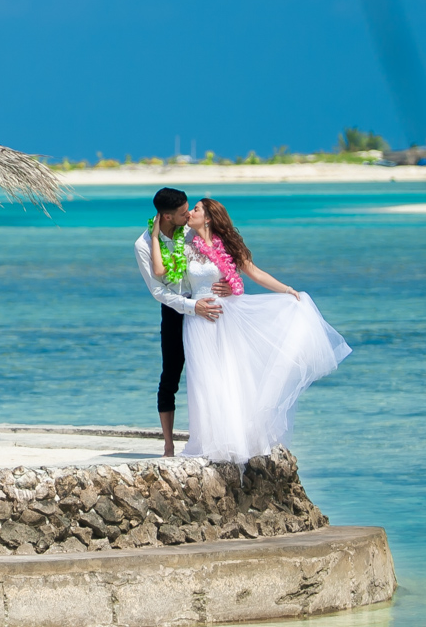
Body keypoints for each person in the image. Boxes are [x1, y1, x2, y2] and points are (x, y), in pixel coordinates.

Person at [174, 196, 351, 464]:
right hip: (198, 318)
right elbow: (170, 275)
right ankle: (207, 440)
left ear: (208, 218)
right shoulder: (183, 243)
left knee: (229, 375)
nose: (190, 213)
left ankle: (234, 438)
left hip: (225, 316)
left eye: (196, 209)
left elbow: (255, 273)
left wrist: (287, 290)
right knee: (202, 378)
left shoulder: (227, 246)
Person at [133, 186, 221, 457]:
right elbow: (158, 290)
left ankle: (213, 435)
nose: (189, 215)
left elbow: (215, 259)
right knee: (170, 375)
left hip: (204, 305)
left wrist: (227, 284)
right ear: (167, 216)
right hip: (175, 311)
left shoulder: (189, 232)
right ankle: (169, 445)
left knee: (211, 372)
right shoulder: (143, 245)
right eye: (183, 213)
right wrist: (191, 307)